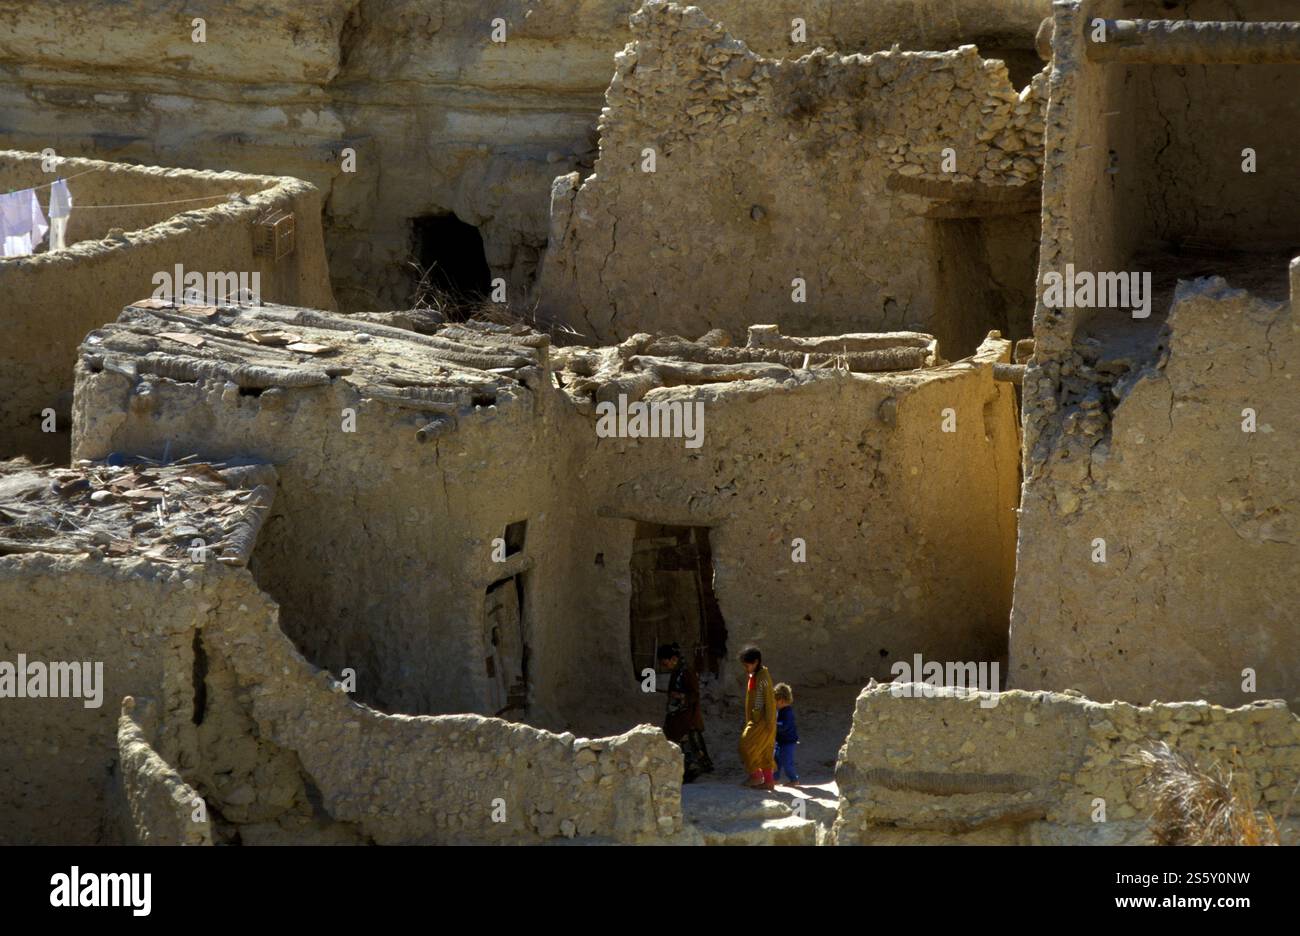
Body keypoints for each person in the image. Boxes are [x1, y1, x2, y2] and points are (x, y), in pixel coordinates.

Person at [658, 643, 713, 782]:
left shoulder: (687, 671)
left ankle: (693, 771)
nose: (666, 666)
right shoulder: (677, 671)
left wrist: (680, 696)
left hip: (688, 716)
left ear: (673, 659)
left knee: (690, 745)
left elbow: (695, 694)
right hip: (677, 716)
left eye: (666, 662)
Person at [737, 646, 776, 790]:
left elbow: (769, 701)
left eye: (748, 665)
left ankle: (756, 776)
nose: (746, 668)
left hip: (762, 721)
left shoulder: (763, 678)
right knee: (764, 749)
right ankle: (768, 781)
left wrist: (769, 722)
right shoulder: (755, 676)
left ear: (756, 662)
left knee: (745, 746)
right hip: (757, 719)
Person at [773, 682, 799, 786]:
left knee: (787, 763)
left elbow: (784, 727)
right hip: (781, 742)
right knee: (776, 761)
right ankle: (774, 779)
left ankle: (794, 780)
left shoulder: (787, 712)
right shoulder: (781, 711)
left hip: (788, 742)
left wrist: (774, 725)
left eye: (775, 701)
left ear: (781, 700)